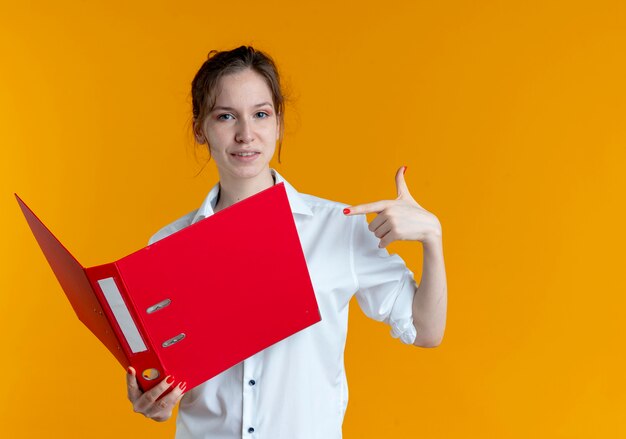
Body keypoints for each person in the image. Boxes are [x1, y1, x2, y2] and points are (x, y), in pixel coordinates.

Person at [125, 46, 447, 439]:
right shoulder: (166, 247)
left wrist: (432, 238)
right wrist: (154, 403)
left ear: (278, 122)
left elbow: (426, 330)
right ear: (200, 129)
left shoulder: (338, 227)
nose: (246, 134)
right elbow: (165, 380)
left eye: (260, 114)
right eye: (225, 116)